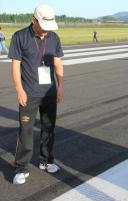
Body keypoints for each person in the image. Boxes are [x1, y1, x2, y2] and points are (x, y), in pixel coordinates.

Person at [8, 4, 64, 185]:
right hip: (29, 94)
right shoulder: (20, 37)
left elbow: (57, 63)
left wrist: (60, 86)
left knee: (49, 128)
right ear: (34, 20)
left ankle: (46, 161)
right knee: (26, 130)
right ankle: (21, 168)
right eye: (43, 26)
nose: (46, 31)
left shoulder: (54, 37)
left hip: (49, 92)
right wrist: (19, 90)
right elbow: (15, 66)